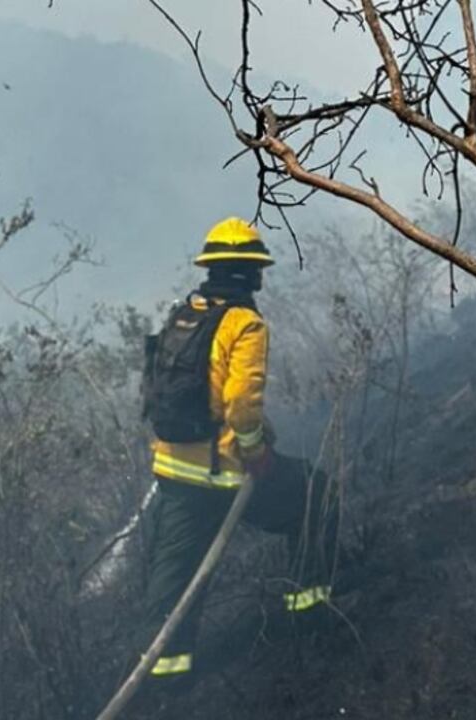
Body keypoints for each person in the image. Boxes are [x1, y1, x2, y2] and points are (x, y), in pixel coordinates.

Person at [139, 216, 339, 682]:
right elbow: (241, 404)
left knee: (174, 578)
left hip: (174, 468)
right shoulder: (243, 323)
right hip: (226, 471)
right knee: (316, 496)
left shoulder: (183, 313)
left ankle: (164, 680)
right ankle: (309, 614)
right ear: (251, 272)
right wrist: (255, 451)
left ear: (210, 269)